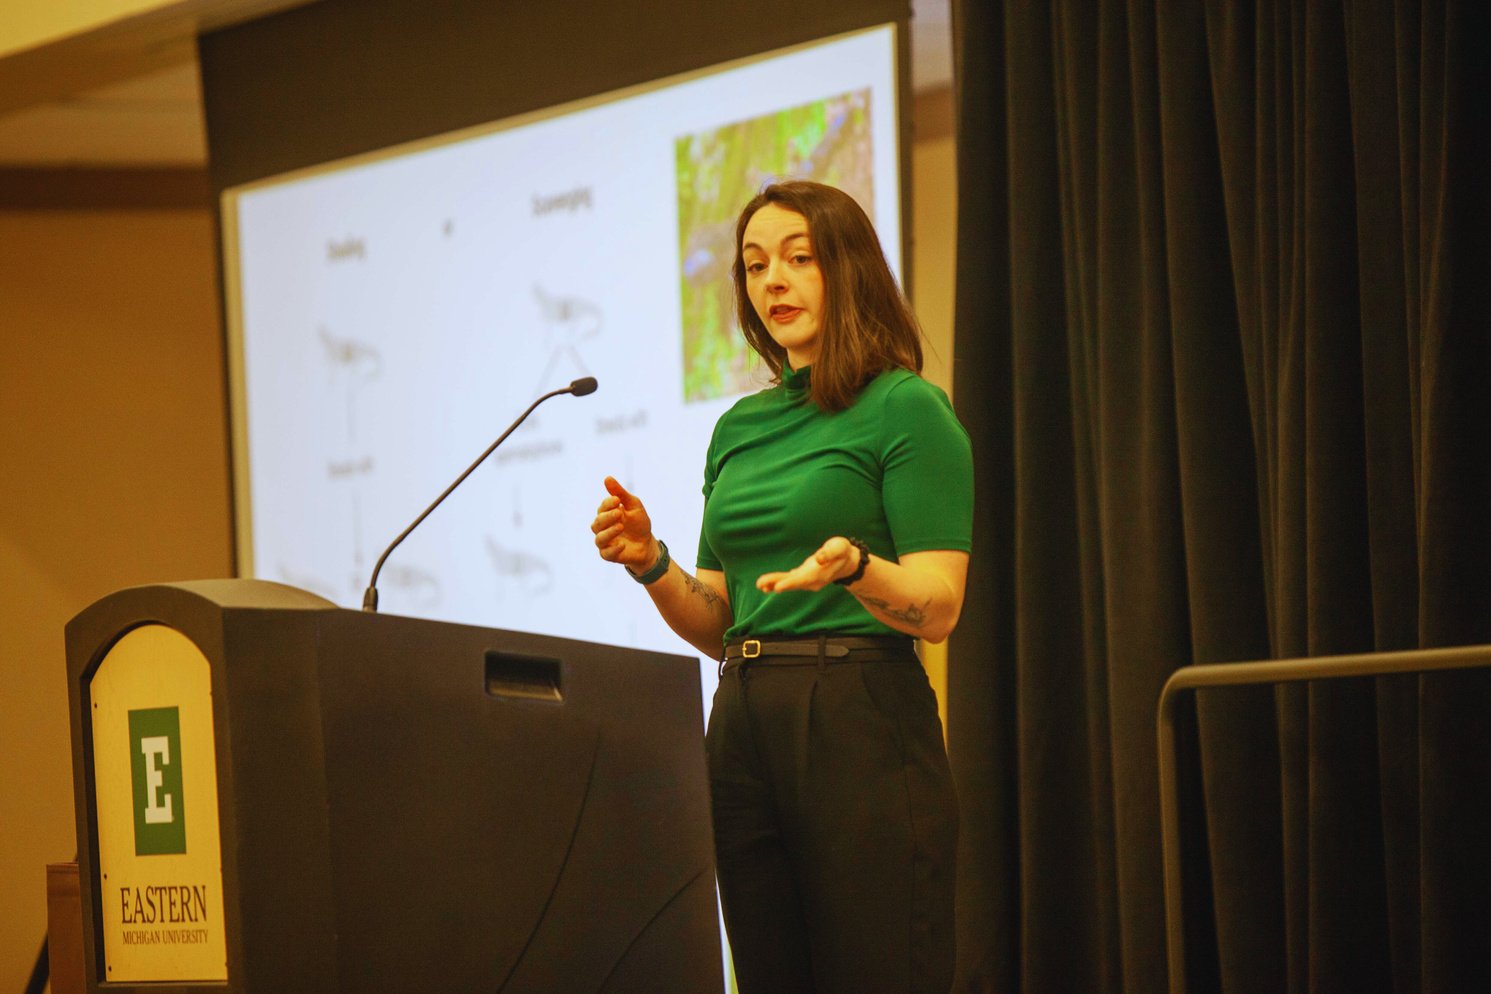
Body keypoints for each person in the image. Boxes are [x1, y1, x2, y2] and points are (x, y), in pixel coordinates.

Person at [590, 180, 972, 994]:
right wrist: (650, 562)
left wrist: (857, 568)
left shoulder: (905, 408)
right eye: (755, 265)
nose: (772, 282)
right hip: (743, 715)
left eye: (798, 259)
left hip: (859, 710)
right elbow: (721, 618)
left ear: (848, 269)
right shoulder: (738, 429)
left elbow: (938, 606)